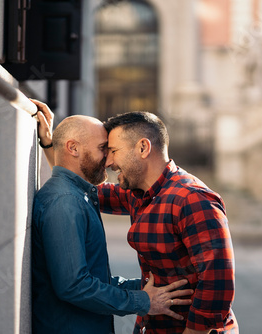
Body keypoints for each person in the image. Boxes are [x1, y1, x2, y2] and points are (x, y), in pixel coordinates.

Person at [34, 100, 238, 334]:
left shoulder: (192, 199)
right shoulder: (136, 193)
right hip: (151, 325)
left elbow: (218, 283)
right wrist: (52, 145)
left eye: (113, 151)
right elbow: (77, 186)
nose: (109, 162)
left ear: (143, 148)